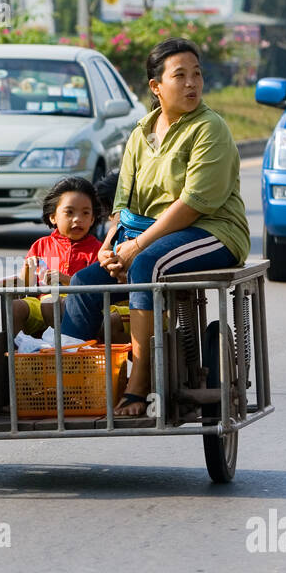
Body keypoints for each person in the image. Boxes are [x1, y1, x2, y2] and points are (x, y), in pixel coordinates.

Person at [60, 37, 250, 417]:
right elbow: (122, 204)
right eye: (180, 76)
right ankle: (73, 381)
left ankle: (139, 382)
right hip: (144, 237)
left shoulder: (209, 129)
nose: (192, 83)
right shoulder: (140, 134)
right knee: (83, 282)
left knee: (146, 267)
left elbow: (193, 205)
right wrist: (110, 246)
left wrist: (136, 248)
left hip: (212, 231)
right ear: (156, 87)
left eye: (197, 74)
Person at [11, 176, 105, 337]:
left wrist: (66, 280)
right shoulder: (40, 245)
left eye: (85, 213)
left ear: (92, 219)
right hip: (41, 305)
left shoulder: (99, 250)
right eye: (69, 212)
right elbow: (25, 285)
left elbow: (98, 290)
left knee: (53, 303)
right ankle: (13, 358)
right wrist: (28, 270)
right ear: (53, 216)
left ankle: (63, 350)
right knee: (15, 307)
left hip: (82, 310)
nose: (77, 219)